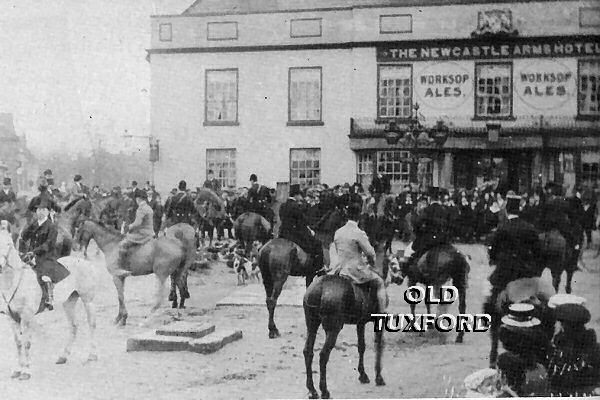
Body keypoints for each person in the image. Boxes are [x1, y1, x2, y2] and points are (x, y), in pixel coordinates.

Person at [329, 203, 387, 313]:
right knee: (379, 282)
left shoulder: (338, 232)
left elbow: (338, 251)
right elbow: (370, 253)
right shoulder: (359, 233)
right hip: (355, 271)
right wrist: (373, 266)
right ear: (359, 216)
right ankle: (382, 312)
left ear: (346, 215)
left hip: (340, 269)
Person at [487, 194, 542, 307]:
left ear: (507, 210)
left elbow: (493, 249)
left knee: (493, 299)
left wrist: (493, 259)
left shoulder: (502, 227)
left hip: (505, 270)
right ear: (519, 210)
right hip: (525, 271)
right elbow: (538, 251)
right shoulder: (529, 228)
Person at [20, 199, 70, 310]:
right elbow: (24, 236)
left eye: (43, 210)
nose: (40, 212)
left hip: (46, 256)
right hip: (31, 255)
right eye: (38, 210)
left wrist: (34, 252)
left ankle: (49, 297)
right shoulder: (34, 224)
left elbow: (48, 244)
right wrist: (28, 227)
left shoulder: (51, 226)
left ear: (48, 212)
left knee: (44, 274)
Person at [278, 184, 324, 273]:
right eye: (300, 195)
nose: (301, 197)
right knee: (317, 244)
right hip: (294, 234)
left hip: (283, 233)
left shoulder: (283, 205)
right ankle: (318, 268)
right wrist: (310, 230)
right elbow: (302, 221)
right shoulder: (295, 206)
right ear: (296, 195)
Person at [406, 187, 451, 270]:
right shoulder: (446, 210)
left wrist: (419, 232)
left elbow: (417, 223)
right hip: (443, 240)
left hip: (429, 240)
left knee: (409, 252)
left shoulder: (427, 210)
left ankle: (403, 273)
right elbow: (450, 225)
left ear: (430, 198)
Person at [116, 189, 155, 275]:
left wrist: (129, 227)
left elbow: (137, 223)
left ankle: (121, 268)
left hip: (142, 234)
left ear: (138, 199)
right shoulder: (148, 207)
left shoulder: (141, 208)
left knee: (122, 244)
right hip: (150, 232)